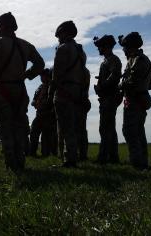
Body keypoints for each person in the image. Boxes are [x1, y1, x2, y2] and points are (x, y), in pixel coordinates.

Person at [0, 12, 44, 172]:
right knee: (19, 127)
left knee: (5, 128)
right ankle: (20, 161)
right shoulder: (26, 45)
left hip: (2, 89)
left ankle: (11, 164)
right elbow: (39, 63)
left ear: (1, 27)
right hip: (20, 90)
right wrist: (27, 75)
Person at [51, 20, 89, 168]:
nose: (58, 38)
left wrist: (52, 92)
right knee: (74, 126)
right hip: (78, 91)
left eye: (59, 35)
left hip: (64, 90)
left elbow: (56, 75)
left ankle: (69, 160)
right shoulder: (80, 51)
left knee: (66, 128)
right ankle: (74, 157)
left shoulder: (63, 49)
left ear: (64, 33)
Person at [119, 32, 151, 170]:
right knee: (138, 132)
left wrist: (120, 85)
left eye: (125, 46)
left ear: (130, 46)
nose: (123, 49)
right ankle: (142, 163)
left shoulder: (139, 60)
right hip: (138, 99)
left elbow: (131, 82)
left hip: (135, 100)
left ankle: (138, 164)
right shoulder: (139, 59)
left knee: (131, 131)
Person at [93, 35, 122, 164]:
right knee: (108, 128)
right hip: (106, 97)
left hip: (109, 97)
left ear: (106, 47)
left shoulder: (113, 60)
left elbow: (115, 76)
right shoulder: (107, 60)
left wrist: (102, 86)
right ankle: (112, 157)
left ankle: (104, 158)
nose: (98, 48)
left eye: (100, 46)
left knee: (105, 128)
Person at [29, 68, 57, 157]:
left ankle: (46, 154)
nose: (41, 78)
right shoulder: (40, 87)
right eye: (41, 76)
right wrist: (34, 102)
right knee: (33, 132)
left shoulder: (52, 86)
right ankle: (32, 152)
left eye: (42, 76)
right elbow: (34, 98)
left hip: (49, 114)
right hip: (39, 113)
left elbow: (53, 100)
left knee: (46, 135)